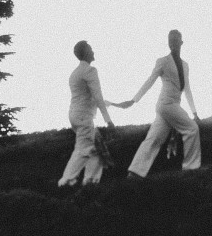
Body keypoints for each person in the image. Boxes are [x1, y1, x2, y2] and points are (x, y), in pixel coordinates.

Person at [117, 29, 202, 178]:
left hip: (173, 105)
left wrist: (194, 112)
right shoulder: (162, 61)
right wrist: (134, 100)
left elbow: (187, 88)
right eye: (170, 41)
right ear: (168, 43)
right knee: (192, 129)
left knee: (154, 138)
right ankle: (191, 168)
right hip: (166, 104)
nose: (173, 43)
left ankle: (134, 173)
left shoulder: (185, 65)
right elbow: (150, 81)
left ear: (181, 42)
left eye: (176, 40)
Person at [57, 40, 114, 188]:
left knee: (96, 151)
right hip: (84, 117)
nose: (93, 51)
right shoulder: (90, 70)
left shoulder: (74, 73)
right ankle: (65, 183)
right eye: (91, 48)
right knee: (83, 150)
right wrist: (108, 121)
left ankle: (90, 183)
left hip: (75, 116)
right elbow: (97, 97)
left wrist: (114, 104)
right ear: (87, 52)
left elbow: (86, 96)